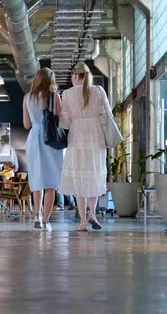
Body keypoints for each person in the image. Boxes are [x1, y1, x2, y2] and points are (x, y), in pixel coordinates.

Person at [58, 62, 110, 232]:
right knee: (94, 174)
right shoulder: (99, 91)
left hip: (77, 136)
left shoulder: (67, 94)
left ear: (74, 75)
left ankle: (82, 221)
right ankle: (92, 213)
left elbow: (65, 122)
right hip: (96, 136)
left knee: (79, 178)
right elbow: (107, 114)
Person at [23, 68, 64, 232]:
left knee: (37, 180)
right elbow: (60, 121)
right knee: (51, 183)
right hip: (52, 140)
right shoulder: (55, 96)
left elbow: (26, 125)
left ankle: (37, 216)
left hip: (34, 139)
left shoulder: (27, 97)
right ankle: (46, 221)